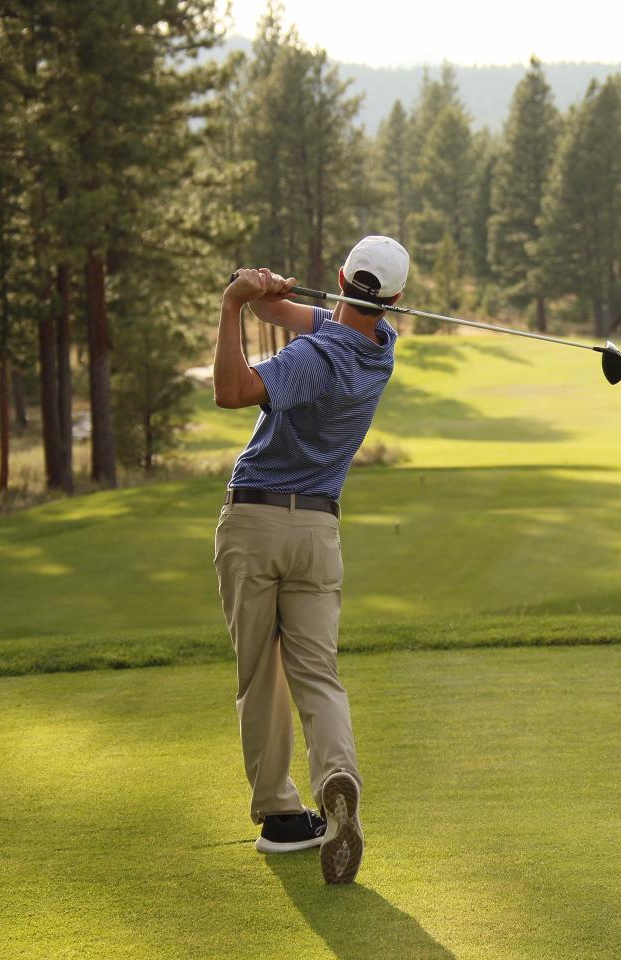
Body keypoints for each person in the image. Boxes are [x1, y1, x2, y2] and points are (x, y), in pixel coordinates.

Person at [212, 236, 410, 884]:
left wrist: (231, 306)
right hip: (318, 531)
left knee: (261, 676)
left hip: (256, 522)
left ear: (341, 276)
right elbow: (301, 317)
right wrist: (268, 299)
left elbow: (233, 390)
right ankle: (338, 779)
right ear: (396, 299)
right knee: (318, 674)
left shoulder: (315, 356)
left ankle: (278, 815)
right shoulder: (380, 351)